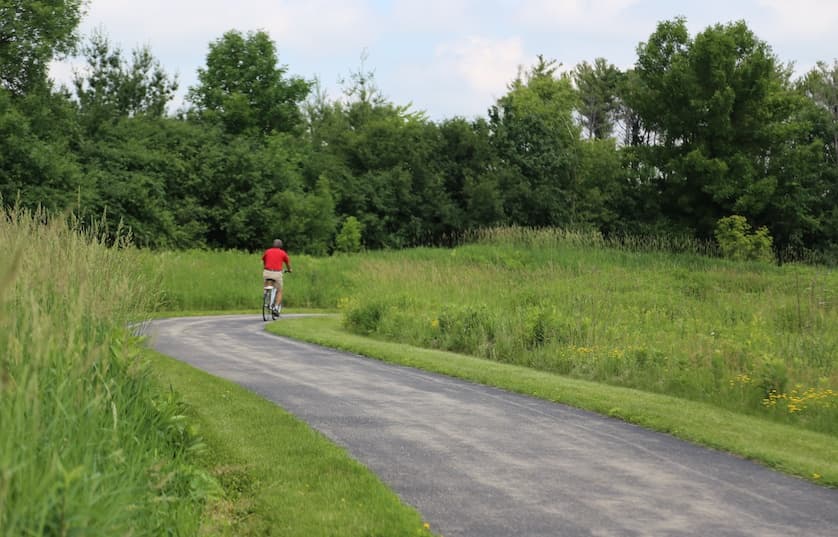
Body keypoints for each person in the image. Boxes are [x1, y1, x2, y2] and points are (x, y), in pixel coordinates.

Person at [262, 239, 292, 313]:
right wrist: (289, 269)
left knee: (267, 284)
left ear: (273, 244)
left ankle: (266, 294)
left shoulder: (267, 251)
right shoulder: (283, 253)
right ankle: (275, 307)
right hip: (277, 273)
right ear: (281, 246)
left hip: (267, 272)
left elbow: (264, 260)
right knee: (279, 290)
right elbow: (287, 263)